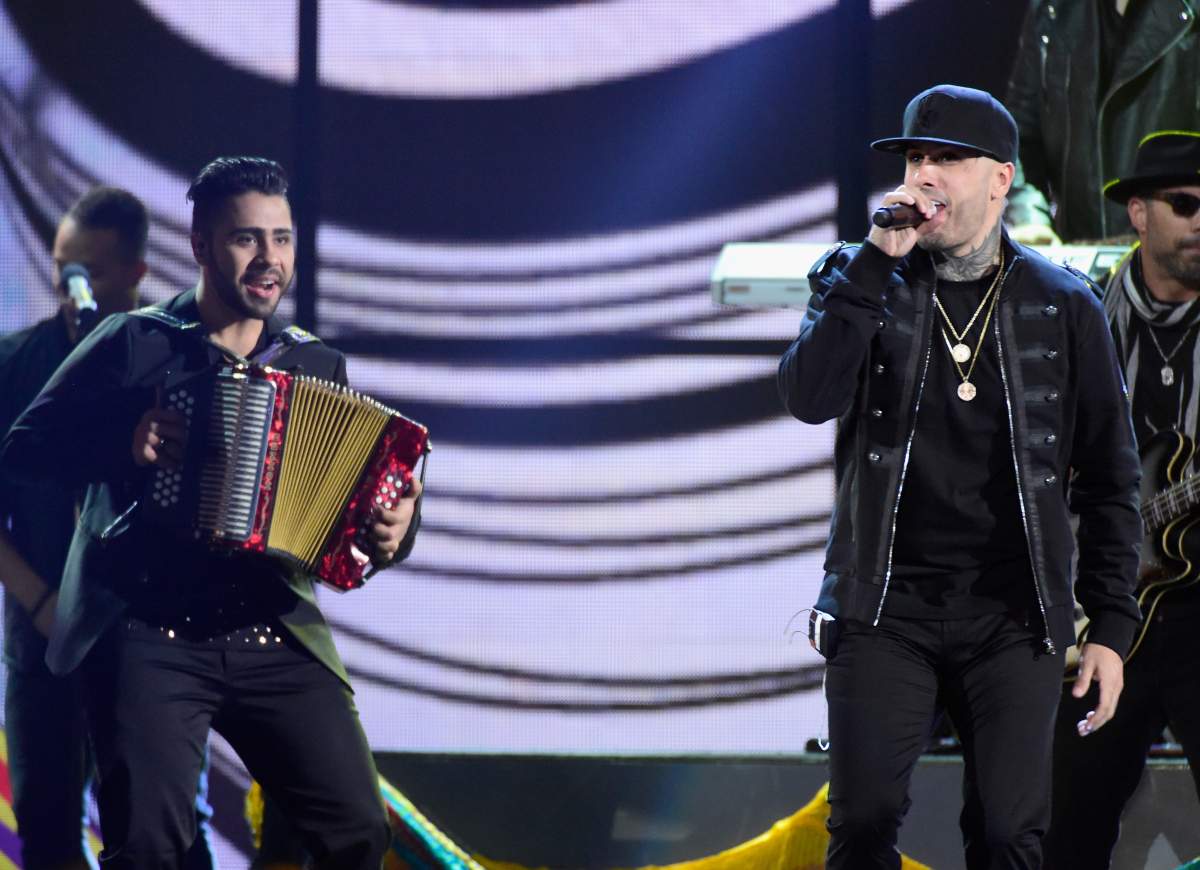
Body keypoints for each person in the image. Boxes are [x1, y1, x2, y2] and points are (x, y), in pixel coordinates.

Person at [0, 156, 422, 868]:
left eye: (281, 239)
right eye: (246, 238)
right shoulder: (132, 343)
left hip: (270, 629)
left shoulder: (314, 366)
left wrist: (395, 532)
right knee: (148, 848)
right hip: (147, 633)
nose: (269, 259)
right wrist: (123, 443)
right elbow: (26, 447)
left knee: (356, 828)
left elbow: (355, 523)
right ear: (200, 245)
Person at [778, 84, 1143, 868]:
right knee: (865, 820)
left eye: (948, 158)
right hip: (885, 607)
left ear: (1001, 179)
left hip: (1012, 615)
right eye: (916, 156)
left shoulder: (1063, 305)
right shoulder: (858, 279)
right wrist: (875, 263)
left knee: (1011, 834)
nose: (925, 174)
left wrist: (1111, 629)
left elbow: (1112, 479)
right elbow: (809, 399)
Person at [0, 188, 216, 869]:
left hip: (147, 638)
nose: (71, 284)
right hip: (42, 638)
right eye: (63, 266)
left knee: (170, 832)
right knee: (47, 830)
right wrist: (41, 602)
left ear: (135, 273)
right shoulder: (14, 363)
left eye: (87, 270)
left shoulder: (178, 363)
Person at [1044, 130, 1200, 868]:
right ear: (1138, 213)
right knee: (1067, 833)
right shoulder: (1078, 313)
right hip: (1097, 610)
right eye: (1185, 204)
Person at [1005, 0, 1199, 244]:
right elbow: (1019, 138)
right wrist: (1029, 216)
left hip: (1177, 253)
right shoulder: (1052, 10)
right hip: (1079, 252)